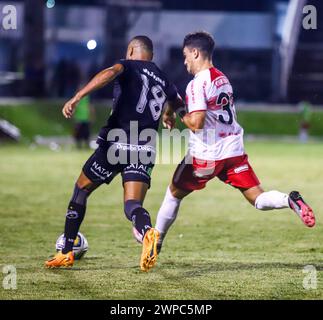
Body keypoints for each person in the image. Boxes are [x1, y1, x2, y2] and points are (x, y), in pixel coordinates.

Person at [155, 31, 315, 256]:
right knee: (258, 198)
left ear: (195, 52)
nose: (184, 62)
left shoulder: (197, 83)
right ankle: (290, 200)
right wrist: (175, 107)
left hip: (207, 155)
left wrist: (178, 110)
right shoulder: (222, 78)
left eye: (185, 56)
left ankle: (155, 242)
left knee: (173, 193)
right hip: (233, 151)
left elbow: (196, 123)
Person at [45, 35, 184, 272]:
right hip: (145, 147)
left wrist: (79, 96)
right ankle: (147, 231)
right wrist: (169, 114)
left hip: (116, 143)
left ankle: (66, 251)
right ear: (151, 55)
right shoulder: (162, 77)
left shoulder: (127, 65)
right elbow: (177, 100)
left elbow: (109, 73)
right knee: (131, 205)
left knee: (81, 189)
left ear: (131, 50)